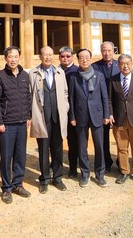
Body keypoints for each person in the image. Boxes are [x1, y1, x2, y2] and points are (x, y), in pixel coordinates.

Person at [0, 46, 32, 204]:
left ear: (19, 57)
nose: (13, 59)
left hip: (22, 123)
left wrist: (28, 116)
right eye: (10, 57)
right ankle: (7, 188)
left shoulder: (25, 75)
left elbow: (27, 97)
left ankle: (18, 184)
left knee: (20, 156)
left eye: (16, 56)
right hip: (7, 124)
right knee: (6, 156)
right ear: (5, 59)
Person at [68, 48, 110, 188]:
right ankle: (85, 174)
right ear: (78, 60)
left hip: (97, 115)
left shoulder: (99, 75)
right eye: (81, 57)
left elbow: (105, 96)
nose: (84, 60)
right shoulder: (74, 77)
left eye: (87, 57)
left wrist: (106, 114)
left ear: (90, 59)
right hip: (80, 116)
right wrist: (72, 116)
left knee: (99, 146)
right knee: (82, 147)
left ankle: (100, 174)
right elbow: (71, 98)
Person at [30, 46, 70, 193]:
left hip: (58, 116)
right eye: (45, 55)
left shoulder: (60, 72)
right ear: (40, 56)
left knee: (58, 148)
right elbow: (30, 94)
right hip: (42, 116)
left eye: (50, 55)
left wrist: (65, 107)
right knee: (43, 149)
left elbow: (65, 92)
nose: (47, 57)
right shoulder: (34, 73)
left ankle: (58, 177)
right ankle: (45, 178)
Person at [108, 54, 133, 185]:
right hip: (119, 120)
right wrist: (110, 114)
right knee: (122, 148)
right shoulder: (113, 80)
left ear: (131, 64)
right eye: (122, 63)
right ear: (118, 65)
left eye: (128, 63)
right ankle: (124, 171)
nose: (125, 66)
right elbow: (109, 100)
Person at [92, 41, 119, 172]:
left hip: (118, 105)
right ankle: (106, 162)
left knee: (121, 136)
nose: (107, 53)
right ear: (101, 51)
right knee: (103, 137)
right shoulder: (95, 66)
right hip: (101, 106)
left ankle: (122, 162)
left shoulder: (120, 64)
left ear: (114, 50)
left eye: (109, 50)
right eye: (104, 50)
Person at [59, 46, 80, 178]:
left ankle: (73, 167)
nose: (65, 58)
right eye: (62, 56)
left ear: (72, 57)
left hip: (73, 112)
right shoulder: (55, 70)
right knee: (56, 141)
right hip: (59, 112)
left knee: (73, 142)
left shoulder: (77, 71)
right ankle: (56, 166)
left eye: (68, 56)